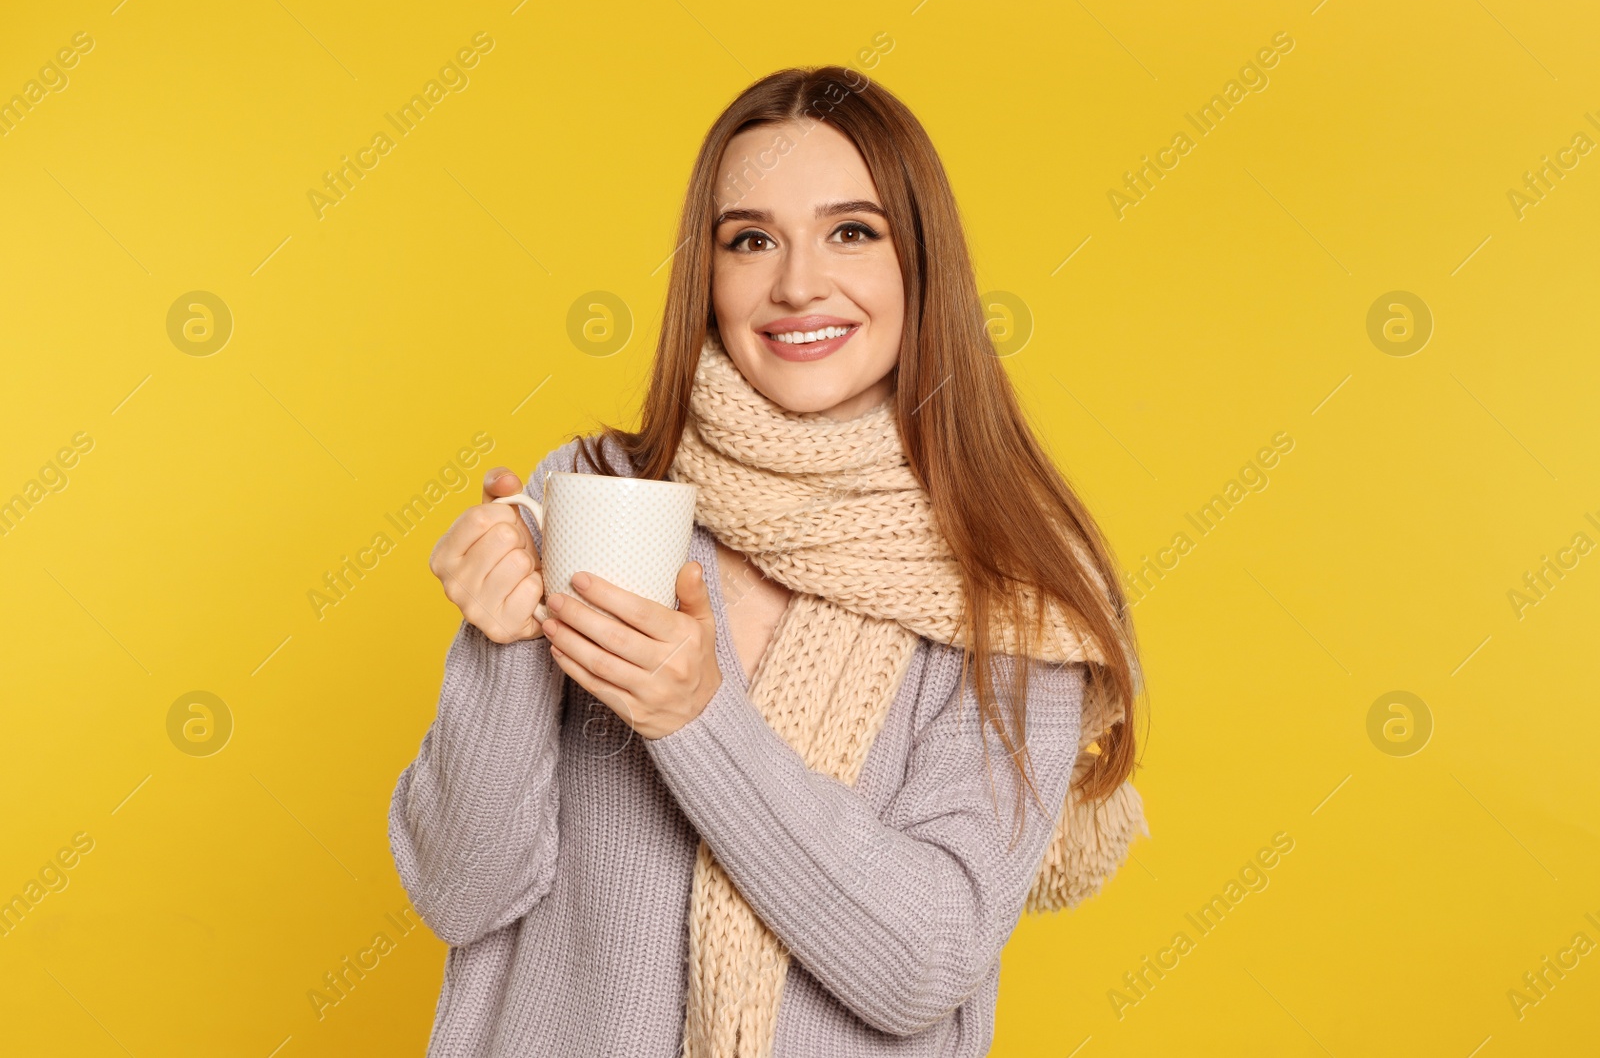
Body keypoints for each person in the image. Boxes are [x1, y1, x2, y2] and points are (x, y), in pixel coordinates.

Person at [389, 65, 1147, 1058]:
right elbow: (458, 890)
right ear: (706, 273)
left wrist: (698, 721)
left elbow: (921, 961)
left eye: (852, 231)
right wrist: (497, 650)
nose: (795, 282)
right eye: (750, 239)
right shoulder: (594, 493)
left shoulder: (1012, 585)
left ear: (922, 262)